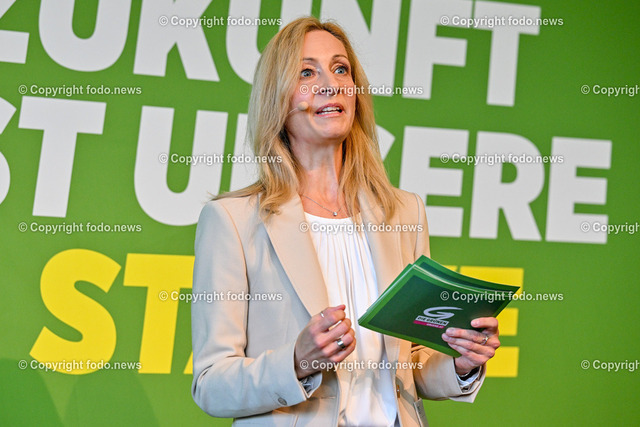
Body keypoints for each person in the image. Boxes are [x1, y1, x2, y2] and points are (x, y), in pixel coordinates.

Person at [191, 16, 500, 426]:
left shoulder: (403, 212)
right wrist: (297, 361)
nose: (330, 84)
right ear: (276, 98)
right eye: (306, 72)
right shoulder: (233, 220)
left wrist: (461, 362)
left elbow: (410, 369)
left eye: (341, 69)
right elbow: (211, 384)